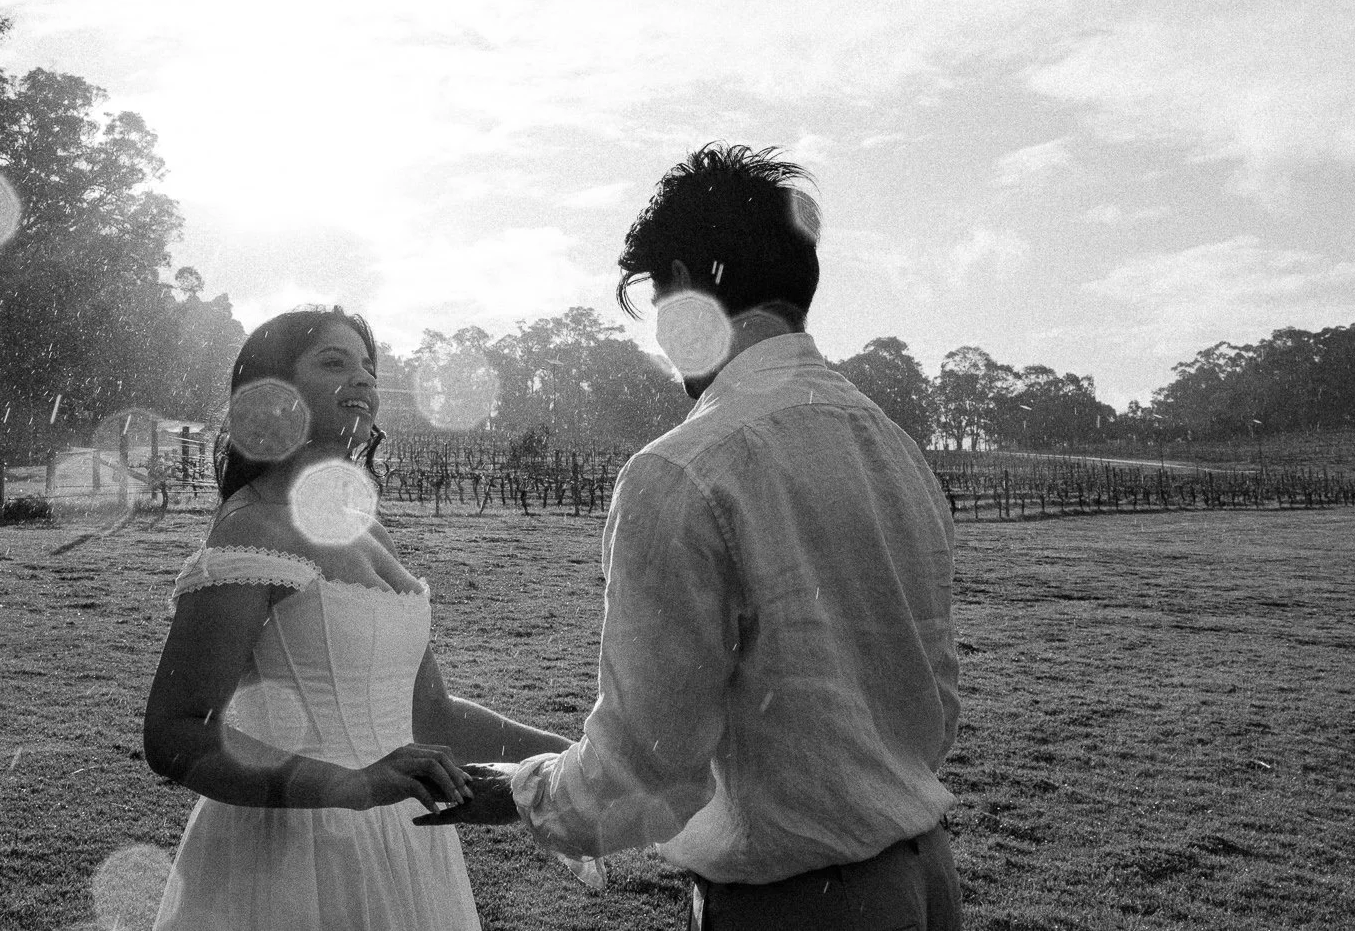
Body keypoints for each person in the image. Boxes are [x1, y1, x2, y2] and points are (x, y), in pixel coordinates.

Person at [419, 145, 964, 931]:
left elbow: (650, 760)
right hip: (925, 875)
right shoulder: (892, 446)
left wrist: (519, 789)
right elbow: (935, 696)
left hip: (797, 903)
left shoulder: (683, 469)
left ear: (681, 283)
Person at [142, 305, 570, 931]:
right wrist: (350, 784)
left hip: (404, 844)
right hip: (292, 858)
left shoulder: (365, 528)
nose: (365, 379)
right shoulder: (252, 528)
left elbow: (433, 714)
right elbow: (175, 733)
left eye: (369, 366)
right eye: (334, 362)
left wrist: (577, 759)